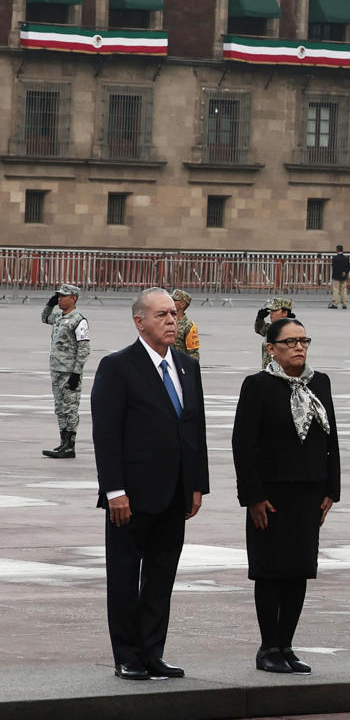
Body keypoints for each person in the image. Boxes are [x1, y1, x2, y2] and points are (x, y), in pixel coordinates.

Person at [91, 288, 208, 680]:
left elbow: (195, 429)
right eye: (161, 315)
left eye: (173, 314)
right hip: (131, 495)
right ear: (139, 322)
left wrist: (196, 484)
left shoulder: (187, 366)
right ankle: (126, 654)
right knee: (124, 577)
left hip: (175, 493)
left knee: (161, 578)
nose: (172, 321)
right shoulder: (118, 366)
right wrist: (113, 491)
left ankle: (152, 652)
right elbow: (106, 434)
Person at [232, 316, 341, 674]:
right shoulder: (258, 386)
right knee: (270, 571)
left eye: (304, 341)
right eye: (290, 342)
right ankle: (268, 647)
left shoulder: (319, 383)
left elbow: (331, 440)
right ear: (271, 348)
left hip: (309, 494)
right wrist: (253, 496)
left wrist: (331, 490)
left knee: (299, 571)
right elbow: (243, 445)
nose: (299, 347)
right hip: (272, 495)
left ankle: (287, 644)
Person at [42, 282, 90, 459]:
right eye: (59, 296)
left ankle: (70, 445)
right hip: (56, 369)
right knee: (60, 408)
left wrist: (76, 373)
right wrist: (50, 304)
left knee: (70, 408)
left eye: (63, 296)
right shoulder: (59, 317)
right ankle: (63, 443)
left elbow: (84, 348)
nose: (60, 299)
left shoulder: (79, 320)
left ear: (74, 298)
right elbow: (44, 318)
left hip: (69, 371)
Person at [255, 297, 295, 370]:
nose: (271, 313)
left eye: (275, 310)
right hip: (268, 373)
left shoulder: (292, 330)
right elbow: (260, 330)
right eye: (271, 310)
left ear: (285, 313)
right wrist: (260, 318)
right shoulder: (272, 327)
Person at [172, 289, 201, 363]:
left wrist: (191, 370)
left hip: (179, 364)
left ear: (182, 304)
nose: (171, 301)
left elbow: (193, 353)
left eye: (174, 300)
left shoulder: (188, 325)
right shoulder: (165, 320)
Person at [328, 246, 350, 310]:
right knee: (343, 290)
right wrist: (344, 272)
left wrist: (340, 272)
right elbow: (349, 267)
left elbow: (334, 267)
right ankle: (344, 304)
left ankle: (335, 304)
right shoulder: (346, 258)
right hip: (343, 277)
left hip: (336, 276)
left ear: (337, 250)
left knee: (336, 290)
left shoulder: (335, 258)